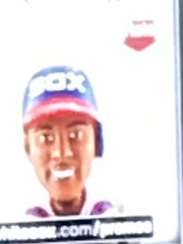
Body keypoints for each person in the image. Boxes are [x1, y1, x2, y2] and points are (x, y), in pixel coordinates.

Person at [22, 66, 118, 218]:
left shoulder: (117, 219)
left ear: (96, 142)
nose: (61, 153)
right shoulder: (19, 225)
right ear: (28, 148)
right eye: (45, 138)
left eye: (76, 135)